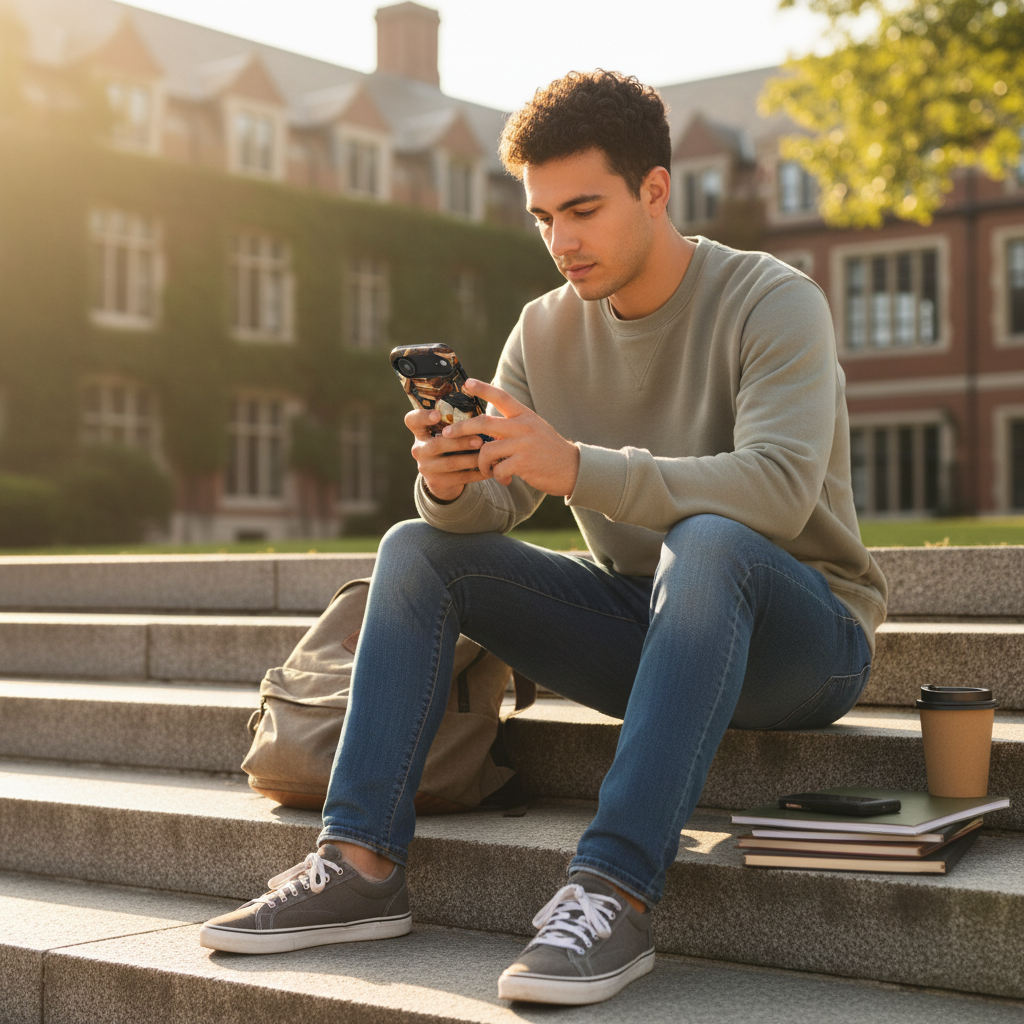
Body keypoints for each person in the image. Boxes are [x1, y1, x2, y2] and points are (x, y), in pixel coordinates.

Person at [199, 70, 887, 1006]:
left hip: (802, 643)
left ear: (655, 189)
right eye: (542, 216)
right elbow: (496, 509)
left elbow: (775, 488)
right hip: (651, 637)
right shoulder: (545, 328)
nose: (561, 241)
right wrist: (449, 483)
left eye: (585, 209)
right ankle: (357, 869)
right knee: (415, 548)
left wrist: (578, 468)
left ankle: (612, 893)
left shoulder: (773, 300)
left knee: (713, 539)